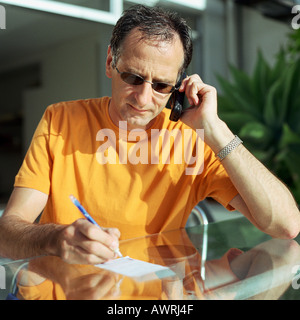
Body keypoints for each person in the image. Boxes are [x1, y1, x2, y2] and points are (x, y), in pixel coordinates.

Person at [0, 5, 299, 266]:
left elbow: (286, 226)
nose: (143, 99)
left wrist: (217, 131)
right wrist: (55, 238)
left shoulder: (192, 139)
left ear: (179, 86)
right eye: (133, 77)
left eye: (161, 86)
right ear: (109, 63)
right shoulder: (61, 121)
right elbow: (7, 233)